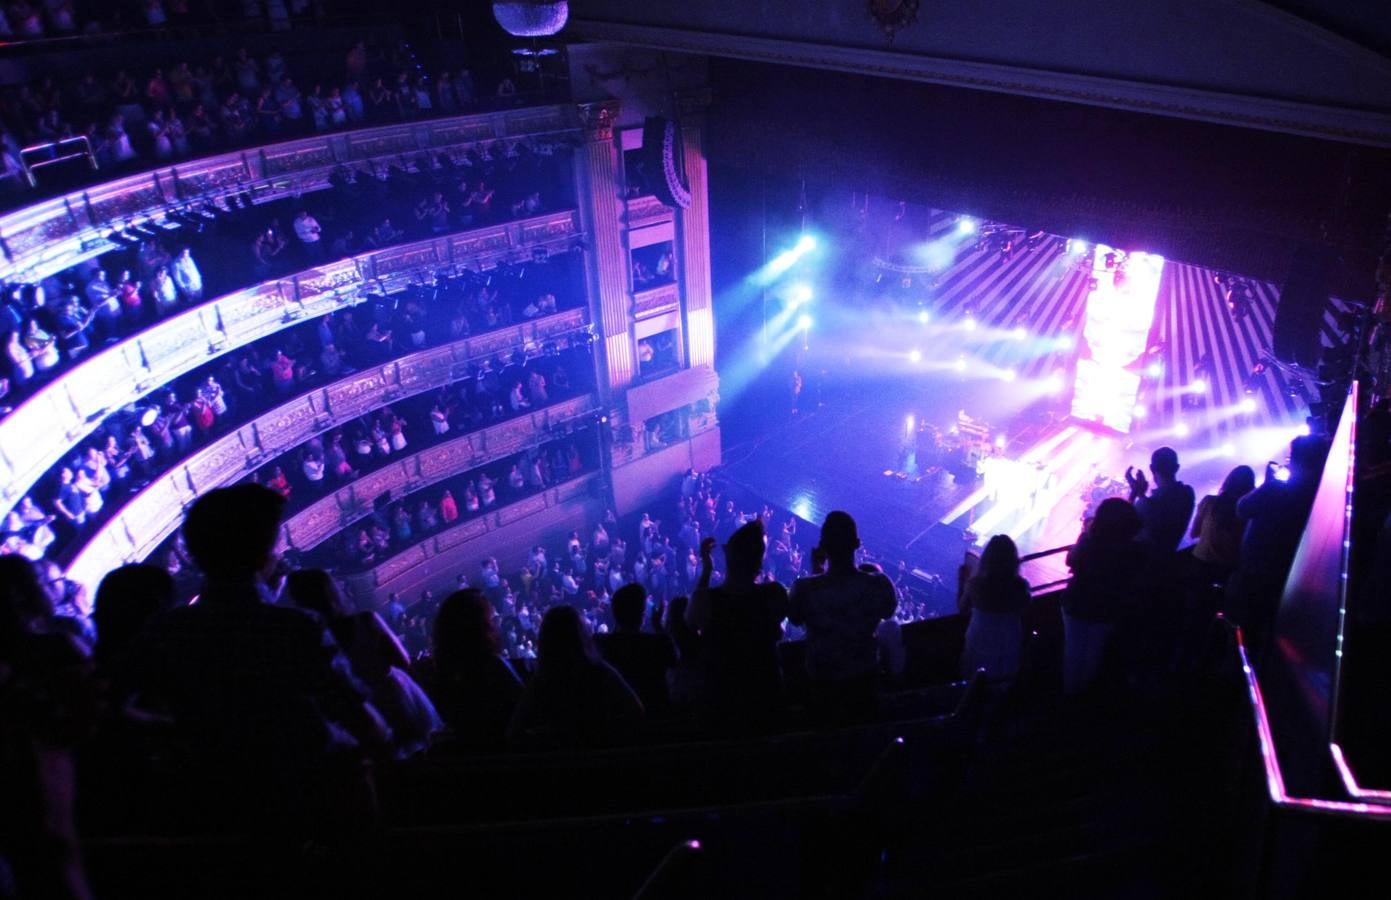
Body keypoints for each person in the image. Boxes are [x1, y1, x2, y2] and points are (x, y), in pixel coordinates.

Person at [120, 485, 390, 834]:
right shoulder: (293, 628)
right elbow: (364, 723)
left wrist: (188, 732)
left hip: (207, 811)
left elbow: (118, 708)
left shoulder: (167, 631)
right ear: (263, 556)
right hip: (304, 808)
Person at [285, 569, 440, 757]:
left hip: (360, 708)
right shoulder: (366, 621)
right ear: (333, 592)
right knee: (423, 746)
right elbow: (403, 660)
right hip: (394, 693)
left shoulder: (312, 640)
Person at [1225, 435, 1328, 664]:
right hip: (1289, 576)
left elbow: (1242, 508)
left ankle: (1231, 677)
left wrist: (1267, 484)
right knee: (1268, 633)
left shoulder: (1278, 490)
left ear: (1299, 459)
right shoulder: (1319, 494)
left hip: (1255, 571)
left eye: (1292, 457)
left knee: (1244, 631)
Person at [788, 511, 897, 722]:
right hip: (865, 685)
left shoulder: (804, 589)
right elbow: (888, 610)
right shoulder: (879, 585)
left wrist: (816, 571)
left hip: (823, 689)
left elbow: (795, 617)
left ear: (822, 546)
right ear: (857, 543)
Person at [687, 520, 787, 729]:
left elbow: (690, 626)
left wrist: (706, 571)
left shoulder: (705, 600)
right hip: (764, 700)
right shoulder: (774, 594)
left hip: (719, 701)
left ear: (728, 556)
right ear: (759, 560)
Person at [508, 605, 643, 748]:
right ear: (581, 635)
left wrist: (547, 741)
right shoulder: (600, 672)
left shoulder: (543, 681)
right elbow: (635, 710)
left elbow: (513, 732)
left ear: (545, 640)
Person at [413, 589, 523, 750]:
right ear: (481, 627)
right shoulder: (493, 666)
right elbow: (520, 710)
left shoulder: (437, 673)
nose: (495, 625)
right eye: (490, 621)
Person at [1062, 498, 1146, 695]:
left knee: (1073, 651)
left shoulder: (1089, 542)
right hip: (1108, 608)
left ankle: (1069, 698)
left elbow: (1071, 559)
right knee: (1094, 652)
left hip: (1078, 603)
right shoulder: (1134, 550)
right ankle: (1083, 697)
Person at [596, 583, 678, 716]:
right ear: (642, 614)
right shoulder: (658, 643)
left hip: (614, 717)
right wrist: (658, 626)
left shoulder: (600, 643)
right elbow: (675, 663)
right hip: (655, 715)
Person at [957, 535, 1031, 680]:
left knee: (974, 683)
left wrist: (962, 581)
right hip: (1008, 644)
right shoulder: (1020, 586)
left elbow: (961, 607)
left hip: (979, 640)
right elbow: (1026, 607)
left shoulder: (976, 585)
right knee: (1001, 684)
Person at [1189, 465, 1257, 586]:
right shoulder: (1248, 513)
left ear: (1228, 481)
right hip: (1227, 569)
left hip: (1201, 563)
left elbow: (1194, 533)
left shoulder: (1208, 502)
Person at [1125, 446, 1196, 559]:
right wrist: (1141, 495)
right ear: (1177, 468)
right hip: (1166, 563)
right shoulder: (1188, 493)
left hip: (1141, 565)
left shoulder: (1148, 505)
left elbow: (1123, 525)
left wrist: (1135, 493)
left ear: (1152, 468)